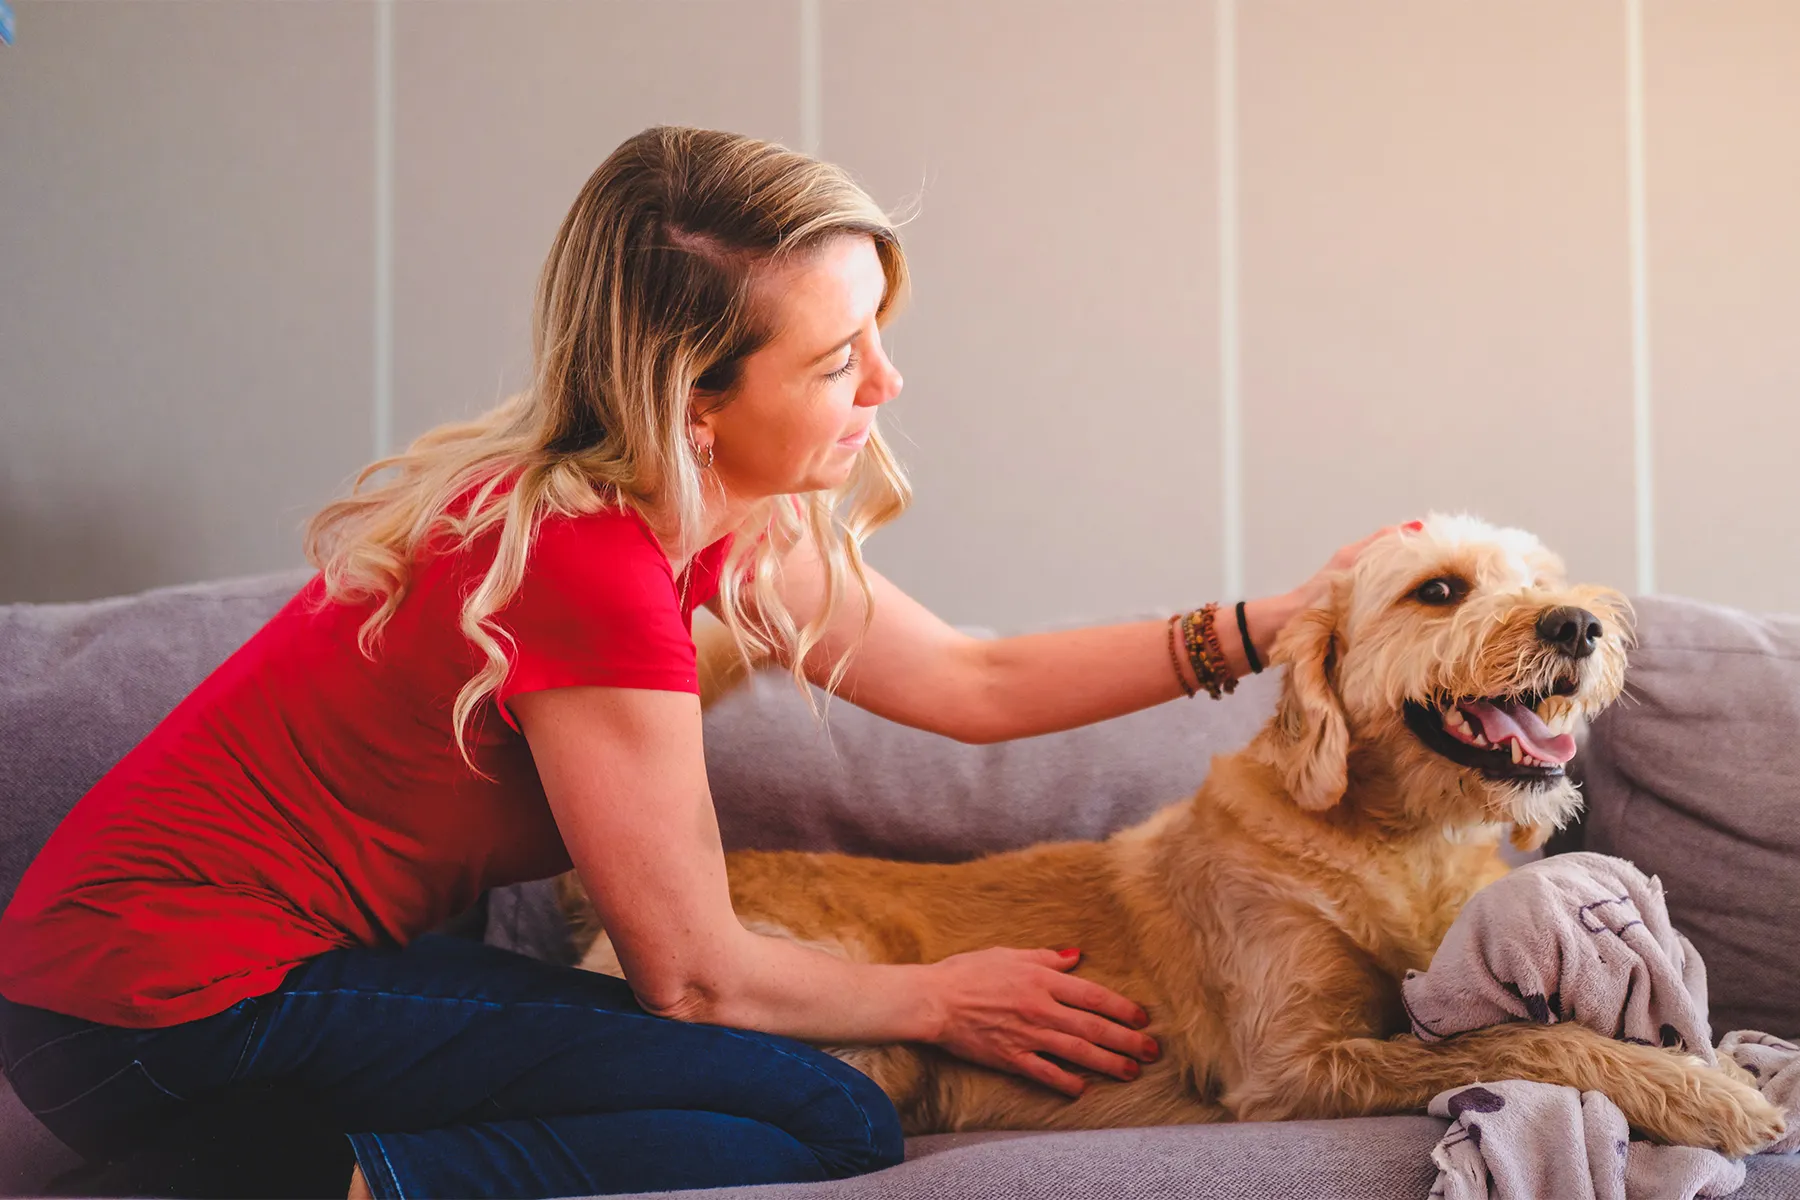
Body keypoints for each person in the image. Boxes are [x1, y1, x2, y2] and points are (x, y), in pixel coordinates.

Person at [0, 127, 1400, 1199]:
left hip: (170, 994)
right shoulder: (584, 561)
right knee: (836, 1113)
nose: (887, 389)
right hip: (152, 1011)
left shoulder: (701, 513)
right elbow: (700, 979)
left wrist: (1262, 623)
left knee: (793, 1107)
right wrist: (943, 992)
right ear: (696, 399)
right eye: (840, 359)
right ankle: (294, 1179)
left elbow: (976, 686)